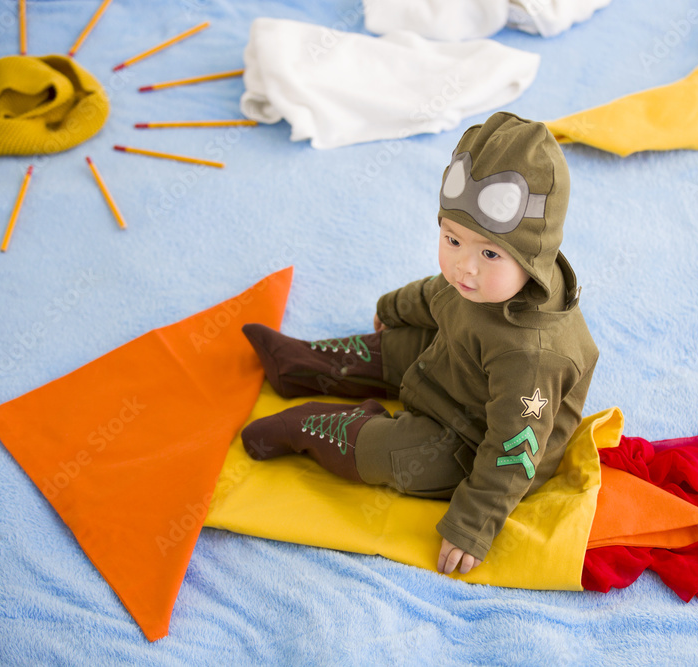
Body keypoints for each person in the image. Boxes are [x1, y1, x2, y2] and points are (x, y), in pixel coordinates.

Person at [240, 111, 598, 576]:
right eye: (452, 239)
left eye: (489, 253)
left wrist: (474, 524)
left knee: (391, 455)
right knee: (403, 340)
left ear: (533, 257)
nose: (464, 267)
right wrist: (392, 306)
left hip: (471, 440)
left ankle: (310, 427)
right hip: (453, 365)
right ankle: (300, 363)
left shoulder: (533, 357)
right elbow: (436, 293)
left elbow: (514, 450)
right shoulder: (478, 281)